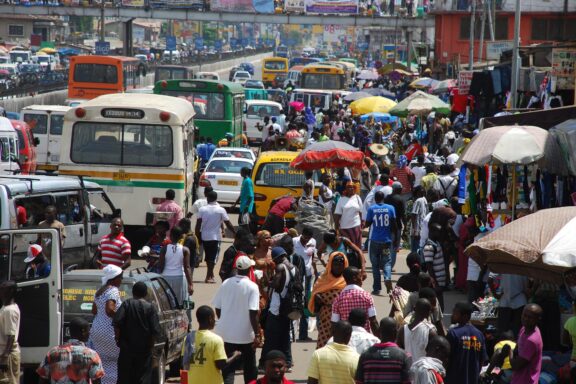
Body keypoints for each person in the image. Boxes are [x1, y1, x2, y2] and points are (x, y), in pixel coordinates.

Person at [212, 255, 260, 384]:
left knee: (228, 369)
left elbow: (217, 307)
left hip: (226, 334)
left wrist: (225, 320)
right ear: (250, 268)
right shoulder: (252, 286)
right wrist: (257, 334)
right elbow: (253, 313)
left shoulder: (226, 283)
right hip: (246, 336)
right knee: (250, 369)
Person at [113, 281, 162, 384]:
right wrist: (151, 347)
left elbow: (117, 322)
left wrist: (117, 339)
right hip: (144, 352)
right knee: (143, 378)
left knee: (124, 377)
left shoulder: (126, 304)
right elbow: (155, 331)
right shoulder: (150, 308)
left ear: (133, 292)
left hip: (126, 350)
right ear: (145, 294)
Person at [260, 247, 298, 370]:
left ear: (277, 258)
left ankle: (263, 364)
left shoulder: (280, 267)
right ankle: (287, 362)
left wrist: (266, 279)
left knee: (270, 338)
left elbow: (276, 286)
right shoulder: (294, 268)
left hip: (277, 308)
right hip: (289, 308)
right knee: (285, 337)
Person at [182, 305, 241, 384]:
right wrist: (235, 356)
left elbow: (184, 364)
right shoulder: (216, 339)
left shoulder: (188, 338)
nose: (214, 321)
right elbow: (221, 365)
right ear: (210, 319)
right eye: (213, 318)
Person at [37, 317, 104, 384]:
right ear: (83, 332)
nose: (89, 334)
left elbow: (43, 378)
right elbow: (97, 381)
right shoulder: (92, 355)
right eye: (88, 331)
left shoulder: (53, 353)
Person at [89, 265, 123, 384]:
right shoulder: (113, 290)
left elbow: (93, 311)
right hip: (109, 331)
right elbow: (109, 310)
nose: (121, 280)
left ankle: (103, 380)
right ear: (114, 278)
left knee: (102, 360)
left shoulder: (99, 291)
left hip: (97, 330)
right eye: (120, 277)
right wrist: (122, 317)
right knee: (115, 360)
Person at [309, 252, 348, 348]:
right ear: (330, 264)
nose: (338, 267)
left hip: (343, 318)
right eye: (335, 264)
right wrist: (316, 297)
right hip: (325, 318)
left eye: (340, 265)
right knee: (323, 343)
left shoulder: (348, 279)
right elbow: (314, 294)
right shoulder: (322, 278)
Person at [195, 191, 236, 283]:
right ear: (216, 199)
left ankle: (210, 274)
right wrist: (235, 233)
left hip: (204, 236)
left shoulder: (202, 209)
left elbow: (198, 225)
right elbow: (228, 223)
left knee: (208, 257)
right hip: (215, 237)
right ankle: (208, 276)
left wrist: (197, 236)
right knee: (213, 258)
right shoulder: (221, 210)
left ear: (207, 198)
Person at [355, 317, 411, 384]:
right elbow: (407, 382)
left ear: (379, 331)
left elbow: (359, 382)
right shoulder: (404, 356)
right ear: (396, 332)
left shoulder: (364, 355)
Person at [445, 302, 487, 384]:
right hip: (472, 380)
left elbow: (446, 358)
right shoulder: (479, 334)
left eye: (455, 313)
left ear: (465, 316)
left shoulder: (453, 333)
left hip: (454, 379)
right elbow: (482, 359)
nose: (452, 315)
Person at [365, 190, 397, 294]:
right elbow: (394, 225)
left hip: (375, 241)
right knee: (387, 262)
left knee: (375, 265)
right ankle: (387, 277)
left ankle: (377, 288)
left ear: (375, 198)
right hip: (386, 241)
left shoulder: (372, 209)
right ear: (384, 198)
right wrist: (395, 239)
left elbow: (368, 223)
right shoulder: (391, 208)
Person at [331, 267, 379, 335]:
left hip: (346, 339)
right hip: (364, 339)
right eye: (360, 276)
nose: (361, 279)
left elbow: (334, 324)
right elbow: (373, 321)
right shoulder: (367, 296)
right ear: (354, 278)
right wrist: (380, 340)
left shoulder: (338, 299)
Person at [292, 227, 317, 341]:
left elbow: (313, 257)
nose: (307, 241)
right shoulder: (294, 241)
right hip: (296, 276)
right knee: (295, 302)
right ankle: (291, 334)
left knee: (307, 303)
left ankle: (303, 334)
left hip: (308, 275)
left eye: (309, 239)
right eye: (305, 238)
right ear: (302, 235)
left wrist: (315, 270)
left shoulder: (313, 242)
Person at [158, 226, 194, 303]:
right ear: (181, 236)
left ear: (170, 236)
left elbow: (161, 266)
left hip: (166, 278)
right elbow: (187, 267)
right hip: (180, 278)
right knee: (180, 302)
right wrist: (190, 284)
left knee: (167, 302)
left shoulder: (164, 249)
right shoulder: (185, 250)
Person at [509, 304, 543, 384]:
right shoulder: (524, 329)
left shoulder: (532, 340)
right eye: (524, 315)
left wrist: (509, 351)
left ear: (538, 319)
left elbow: (516, 366)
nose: (526, 319)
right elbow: (518, 346)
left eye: (530, 317)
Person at [397, 298, 437, 363]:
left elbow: (399, 353)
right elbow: (434, 357)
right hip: (423, 371)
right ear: (429, 313)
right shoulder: (431, 332)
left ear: (414, 309)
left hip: (408, 370)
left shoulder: (402, 330)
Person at [423, 223, 446, 310]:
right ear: (432, 232)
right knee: (437, 308)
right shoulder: (429, 246)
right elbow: (429, 266)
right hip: (436, 282)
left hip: (440, 281)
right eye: (439, 232)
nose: (441, 234)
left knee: (440, 307)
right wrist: (434, 283)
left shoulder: (436, 243)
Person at [334, 182, 364, 250]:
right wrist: (336, 229)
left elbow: (361, 211)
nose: (351, 188)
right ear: (346, 189)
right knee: (348, 248)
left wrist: (362, 222)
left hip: (356, 226)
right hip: (345, 228)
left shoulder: (357, 197)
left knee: (357, 247)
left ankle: (358, 259)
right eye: (349, 187)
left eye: (353, 187)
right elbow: (337, 215)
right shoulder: (341, 199)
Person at [0, 281, 20, 384]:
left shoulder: (9, 311)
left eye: (3, 290)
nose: (1, 292)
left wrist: (4, 358)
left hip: (8, 355)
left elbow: (11, 336)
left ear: (11, 291)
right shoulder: (6, 308)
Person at [384, 182, 405, 272]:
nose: (401, 190)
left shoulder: (387, 198)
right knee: (394, 247)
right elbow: (403, 215)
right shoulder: (400, 199)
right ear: (397, 189)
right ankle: (389, 266)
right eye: (400, 189)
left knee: (386, 246)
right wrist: (406, 227)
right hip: (396, 226)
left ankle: (385, 264)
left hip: (386, 225)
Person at [410, 185, 428, 253]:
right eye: (421, 190)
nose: (423, 191)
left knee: (418, 249)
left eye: (423, 189)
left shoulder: (423, 199)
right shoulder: (418, 201)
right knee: (415, 250)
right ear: (417, 192)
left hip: (421, 228)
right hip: (417, 230)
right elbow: (414, 215)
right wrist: (415, 230)